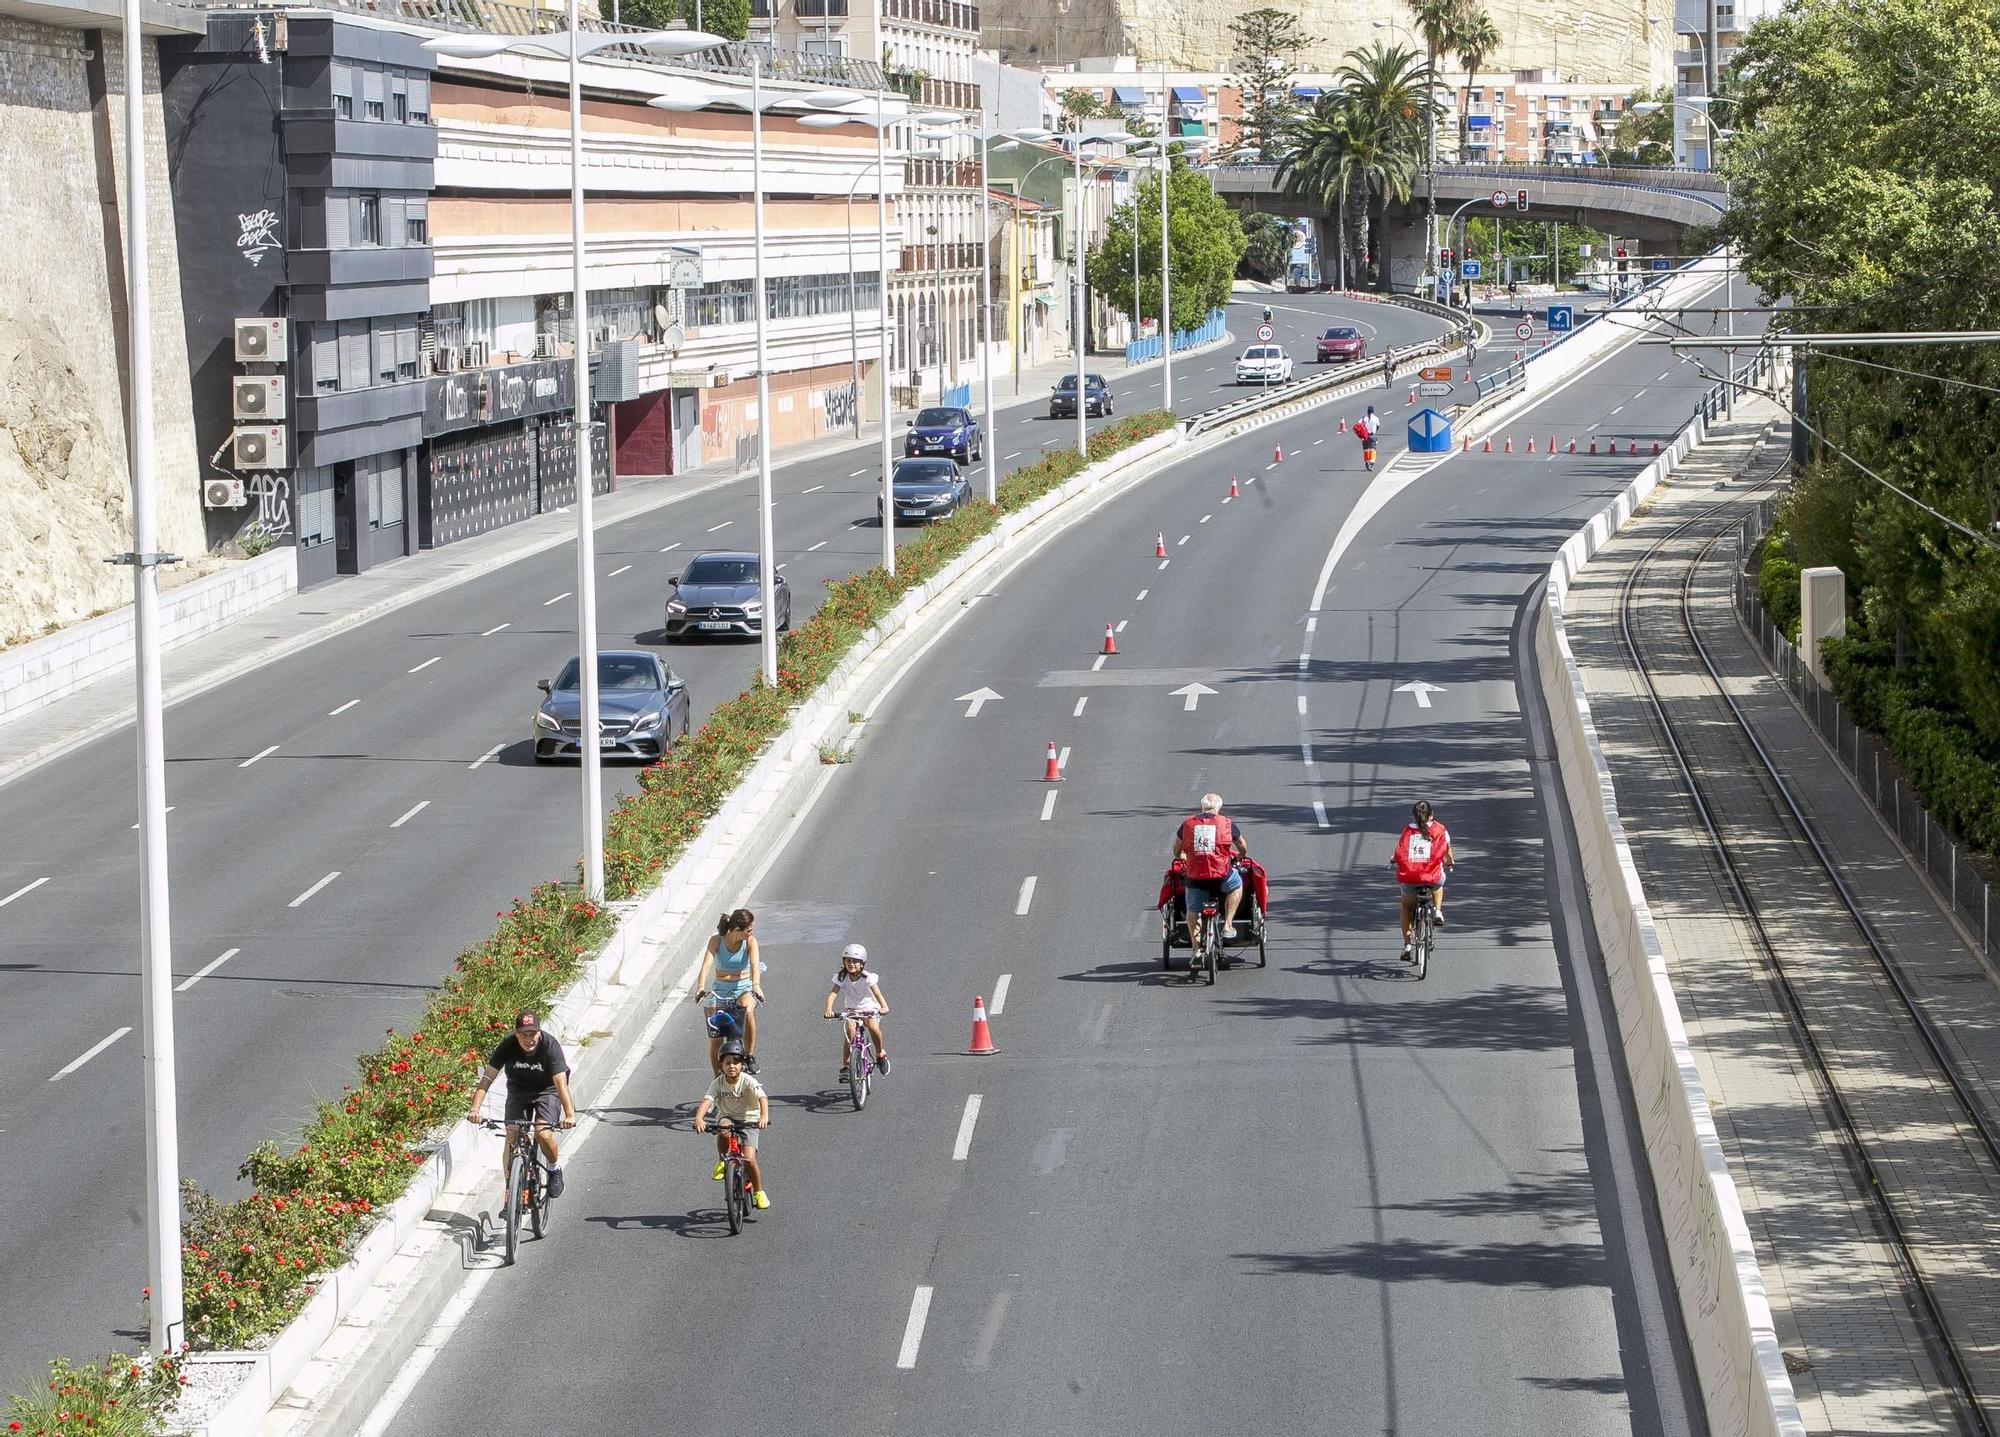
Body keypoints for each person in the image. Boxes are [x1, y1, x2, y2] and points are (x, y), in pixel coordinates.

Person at [467, 1010, 575, 1199]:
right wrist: (475, 1109)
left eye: (532, 1034)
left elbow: (560, 1084)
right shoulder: (507, 1046)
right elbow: (487, 1078)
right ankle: (511, 1189)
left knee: (543, 1133)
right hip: (519, 1092)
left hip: (547, 1091)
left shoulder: (550, 1046)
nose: (529, 1039)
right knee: (512, 1133)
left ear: (539, 1033)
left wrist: (569, 1114)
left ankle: (554, 1169)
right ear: (516, 1034)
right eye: (524, 1035)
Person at [1172, 792, 1250, 971]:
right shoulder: (1227, 824)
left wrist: (1183, 856)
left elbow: (1176, 849)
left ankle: (1195, 948)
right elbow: (1242, 846)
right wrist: (1240, 856)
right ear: (1219, 809)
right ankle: (1228, 925)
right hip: (1221, 875)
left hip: (1195, 877)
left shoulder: (1187, 824)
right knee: (1236, 885)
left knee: (1193, 909)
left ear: (1201, 808)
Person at [693, 1039, 770, 1209]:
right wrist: (699, 1117)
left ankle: (758, 1191)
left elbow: (762, 1098)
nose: (732, 1066)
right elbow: (707, 1100)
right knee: (724, 1129)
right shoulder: (718, 1083)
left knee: (749, 1159)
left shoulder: (748, 1080)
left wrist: (763, 1116)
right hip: (728, 1116)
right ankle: (722, 1160)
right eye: (728, 1063)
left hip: (749, 1120)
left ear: (742, 1065)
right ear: (721, 1065)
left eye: (736, 1062)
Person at [694, 908, 763, 1074]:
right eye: (749, 930)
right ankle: (717, 1076)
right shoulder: (716, 941)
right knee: (714, 1037)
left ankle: (751, 1055)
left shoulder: (750, 942)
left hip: (743, 987)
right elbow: (706, 966)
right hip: (720, 989)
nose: (751, 932)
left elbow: (754, 965)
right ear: (737, 930)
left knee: (746, 1012)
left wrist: (756, 985)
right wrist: (700, 988)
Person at [1391, 799, 1455, 960]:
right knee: (1439, 883)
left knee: (1406, 906)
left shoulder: (1407, 831)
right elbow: (1446, 850)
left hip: (1410, 878)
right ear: (1432, 814)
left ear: (1413, 816)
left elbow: (1400, 852)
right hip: (1431, 877)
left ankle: (1407, 944)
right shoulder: (1440, 830)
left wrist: (1393, 860)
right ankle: (1438, 911)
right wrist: (1450, 863)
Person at [823, 942, 890, 1081]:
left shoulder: (868, 977)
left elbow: (877, 994)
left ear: (862, 964)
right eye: (848, 961)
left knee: (873, 1027)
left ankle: (880, 1053)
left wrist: (884, 1007)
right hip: (851, 1009)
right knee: (850, 1033)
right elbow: (833, 994)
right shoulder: (841, 977)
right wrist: (828, 1009)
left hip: (869, 1007)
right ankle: (846, 1065)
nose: (851, 964)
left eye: (855, 961)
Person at [1356, 405, 1380, 471]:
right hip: (1372, 435)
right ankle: (1371, 464)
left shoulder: (1364, 418)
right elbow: (1378, 426)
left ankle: (1366, 462)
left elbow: (1358, 424)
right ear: (1373, 411)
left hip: (1365, 436)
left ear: (1367, 411)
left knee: (1366, 450)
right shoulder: (1376, 418)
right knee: (1373, 449)